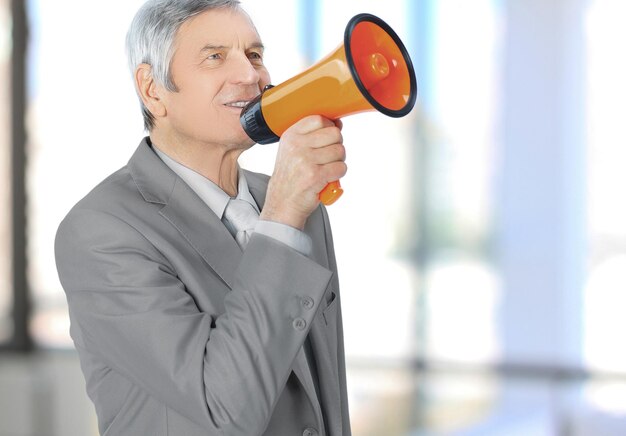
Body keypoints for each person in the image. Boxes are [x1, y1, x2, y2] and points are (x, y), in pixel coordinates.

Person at [54, 1, 351, 435]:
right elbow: (225, 408)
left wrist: (289, 207)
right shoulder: (100, 232)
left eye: (254, 55)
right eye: (215, 57)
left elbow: (327, 388)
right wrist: (284, 215)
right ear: (153, 88)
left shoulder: (297, 202)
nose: (251, 76)